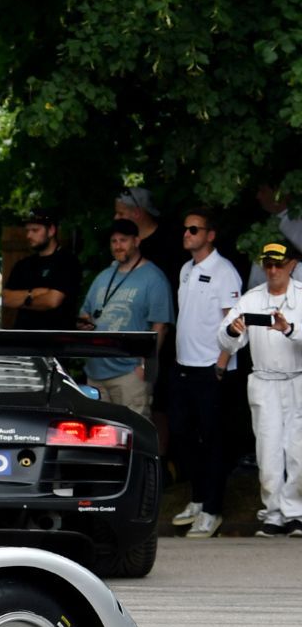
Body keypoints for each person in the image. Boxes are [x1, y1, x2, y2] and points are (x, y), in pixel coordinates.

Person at [215, 243, 302, 538]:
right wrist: (233, 331)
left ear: (291, 265)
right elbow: (225, 339)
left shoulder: (301, 297)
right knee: (268, 450)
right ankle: (273, 514)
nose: (273, 270)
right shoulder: (252, 299)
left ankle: (295, 513)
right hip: (264, 381)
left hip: (297, 380)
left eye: (279, 264)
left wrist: (288, 329)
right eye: (268, 264)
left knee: (297, 451)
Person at [166, 209, 244, 536]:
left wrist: (222, 365)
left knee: (212, 440)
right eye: (185, 229)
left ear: (210, 235)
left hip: (211, 369)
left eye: (194, 229)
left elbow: (235, 323)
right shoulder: (186, 269)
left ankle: (213, 509)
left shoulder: (224, 271)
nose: (187, 234)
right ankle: (198, 499)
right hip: (184, 365)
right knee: (183, 437)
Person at [79, 219, 173, 417]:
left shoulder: (153, 278)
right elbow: (85, 313)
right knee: (99, 436)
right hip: (96, 374)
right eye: (114, 241)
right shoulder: (103, 276)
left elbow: (160, 327)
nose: (118, 246)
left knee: (134, 435)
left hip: (130, 374)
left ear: (137, 241)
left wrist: (144, 368)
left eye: (123, 240)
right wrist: (85, 324)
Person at [2, 208, 83, 330]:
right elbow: (6, 298)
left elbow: (52, 301)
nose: (29, 235)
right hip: (23, 339)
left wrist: (21, 298)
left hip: (55, 341)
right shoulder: (23, 264)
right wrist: (34, 293)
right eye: (27, 230)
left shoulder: (67, 261)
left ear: (51, 230)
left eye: (35, 230)